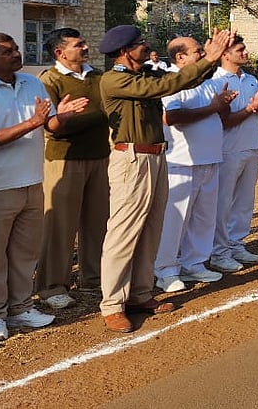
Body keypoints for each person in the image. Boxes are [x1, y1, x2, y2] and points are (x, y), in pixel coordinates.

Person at [96, 24, 232, 333]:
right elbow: (165, 87)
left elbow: (181, 79)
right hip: (131, 158)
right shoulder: (114, 79)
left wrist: (211, 60)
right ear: (123, 51)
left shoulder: (144, 74)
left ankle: (141, 294)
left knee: (151, 228)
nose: (145, 46)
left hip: (156, 156)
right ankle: (113, 303)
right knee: (124, 232)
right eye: (139, 43)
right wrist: (208, 59)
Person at [0, 33, 89, 342]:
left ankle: (20, 308)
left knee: (24, 253)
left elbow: (50, 124)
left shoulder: (31, 82)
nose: (17, 54)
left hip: (31, 180)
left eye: (16, 48)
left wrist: (63, 118)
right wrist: (32, 122)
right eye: (7, 51)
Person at [35, 27, 110, 310]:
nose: (86, 47)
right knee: (59, 226)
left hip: (99, 157)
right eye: (79, 45)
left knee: (97, 221)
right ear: (60, 52)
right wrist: (66, 117)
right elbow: (50, 127)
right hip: (64, 161)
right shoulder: (48, 80)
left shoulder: (98, 77)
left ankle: (94, 276)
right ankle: (52, 285)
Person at [154, 37, 235, 293]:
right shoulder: (172, 82)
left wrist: (221, 103)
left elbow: (219, 112)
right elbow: (172, 117)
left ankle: (195, 262)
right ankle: (165, 269)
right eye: (198, 51)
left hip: (210, 158)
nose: (203, 53)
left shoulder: (206, 82)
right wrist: (213, 108)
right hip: (182, 162)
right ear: (180, 58)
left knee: (203, 217)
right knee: (175, 219)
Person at [209, 35, 258, 273]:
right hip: (227, 149)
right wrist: (251, 107)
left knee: (244, 202)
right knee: (223, 203)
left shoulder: (251, 79)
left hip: (251, 146)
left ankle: (237, 244)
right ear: (225, 54)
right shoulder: (216, 81)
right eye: (240, 49)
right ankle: (219, 252)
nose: (245, 52)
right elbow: (223, 121)